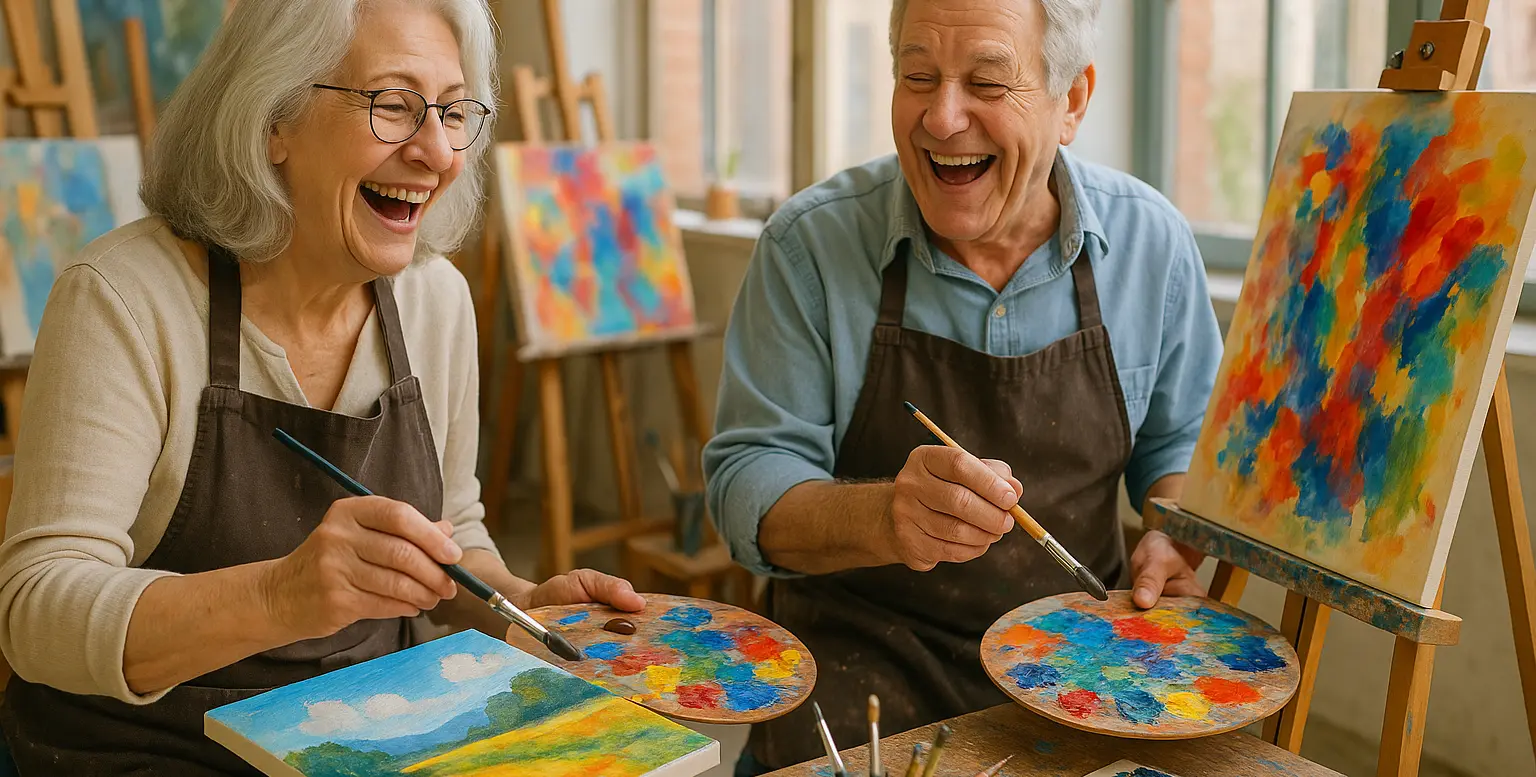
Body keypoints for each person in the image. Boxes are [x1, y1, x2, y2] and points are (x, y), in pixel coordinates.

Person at [0, 1, 645, 773]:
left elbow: (454, 532)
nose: (438, 153)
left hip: (366, 735)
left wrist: (518, 601)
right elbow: (35, 609)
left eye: (452, 111)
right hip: (148, 748)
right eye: (395, 106)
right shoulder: (126, 298)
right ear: (273, 118)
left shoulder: (435, 300)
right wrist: (281, 596)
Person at [703, 0, 1225, 772]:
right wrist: (886, 516)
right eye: (918, 76)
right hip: (860, 699)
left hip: (1079, 689)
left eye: (986, 82)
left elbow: (1183, 446)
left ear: (1072, 100)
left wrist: (1172, 536)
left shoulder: (1153, 245)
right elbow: (747, 486)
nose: (943, 119)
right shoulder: (809, 246)